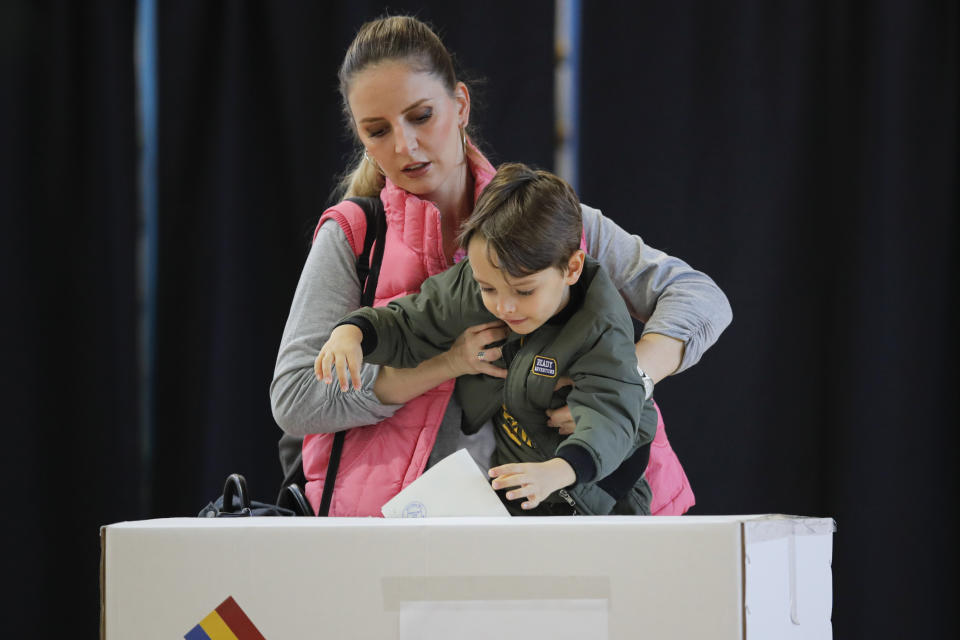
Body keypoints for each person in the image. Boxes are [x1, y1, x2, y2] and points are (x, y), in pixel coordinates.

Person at [269, 15, 732, 517]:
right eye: (377, 131)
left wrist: (626, 380)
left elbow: (698, 296)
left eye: (421, 116)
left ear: (460, 104)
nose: (403, 145)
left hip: (573, 519)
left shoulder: (546, 217)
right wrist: (445, 364)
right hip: (410, 533)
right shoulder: (354, 236)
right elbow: (295, 398)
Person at [318, 164, 657, 515]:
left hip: (602, 488)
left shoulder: (600, 325)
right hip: (523, 479)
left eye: (524, 291)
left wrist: (556, 473)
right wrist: (353, 332)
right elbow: (413, 319)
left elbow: (611, 416)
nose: (504, 306)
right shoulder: (479, 281)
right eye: (488, 288)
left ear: (571, 269)